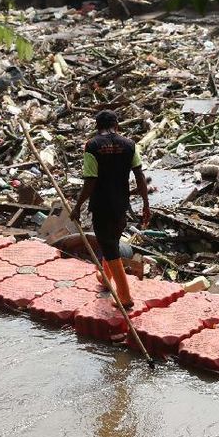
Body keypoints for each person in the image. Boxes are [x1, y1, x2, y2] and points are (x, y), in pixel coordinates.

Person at [70, 110, 150, 308]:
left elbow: (90, 180)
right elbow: (139, 176)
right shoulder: (129, 145)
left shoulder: (92, 146)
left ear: (97, 127)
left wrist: (78, 206)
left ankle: (124, 296)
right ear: (117, 124)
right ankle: (106, 278)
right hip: (121, 204)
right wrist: (146, 204)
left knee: (109, 246)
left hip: (102, 204)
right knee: (111, 241)